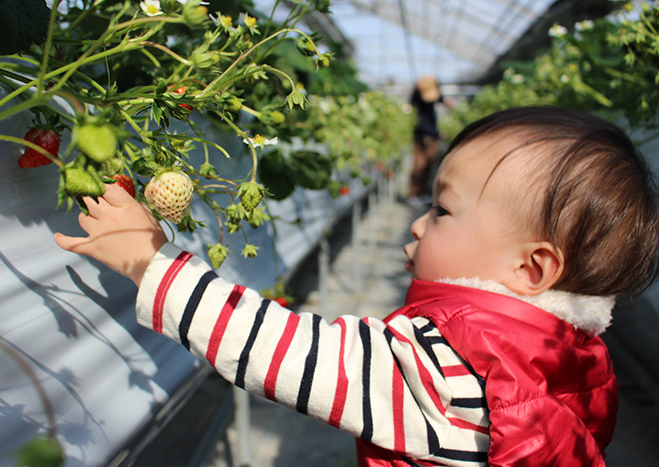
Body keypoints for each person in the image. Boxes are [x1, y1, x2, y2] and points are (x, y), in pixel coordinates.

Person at [54, 106, 659, 466]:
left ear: (531, 270)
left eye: (442, 211)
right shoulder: (574, 357)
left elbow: (282, 348)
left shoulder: (446, 370)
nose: (419, 222)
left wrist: (147, 258)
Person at [408, 75, 445, 208]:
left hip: (429, 135)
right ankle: (414, 194)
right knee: (420, 165)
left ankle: (421, 193)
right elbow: (422, 121)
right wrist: (430, 134)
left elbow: (440, 98)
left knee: (426, 165)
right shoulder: (419, 101)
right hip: (424, 136)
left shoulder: (423, 99)